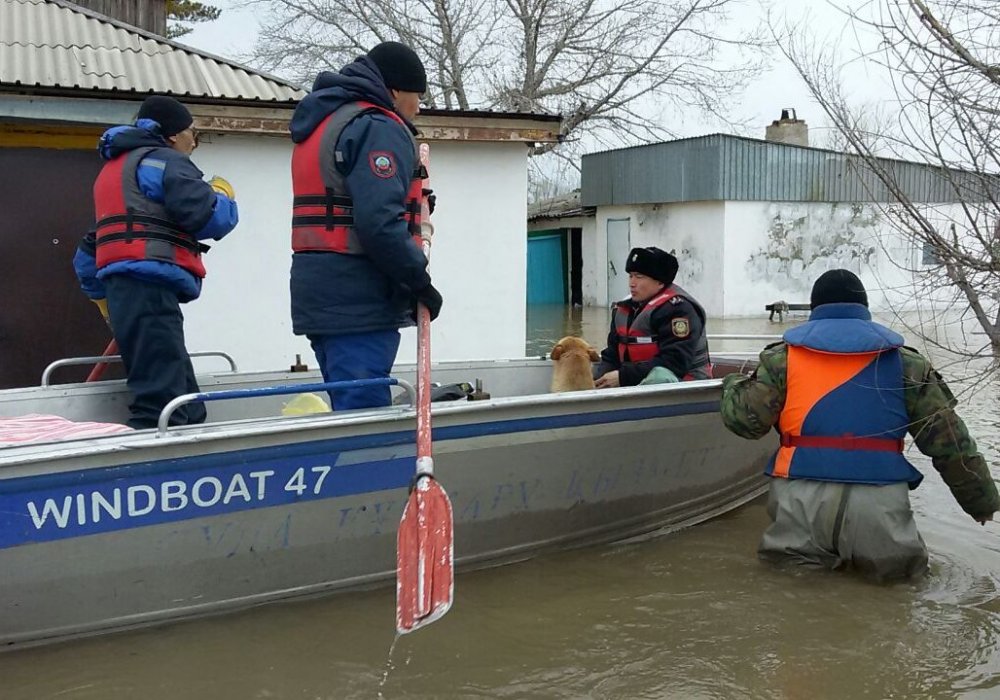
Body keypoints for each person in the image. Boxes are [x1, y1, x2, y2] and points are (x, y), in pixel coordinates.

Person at [720, 269, 999, 581]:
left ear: (815, 310)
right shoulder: (908, 364)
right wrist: (980, 503)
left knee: (793, 595)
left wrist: (733, 384)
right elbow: (951, 444)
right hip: (880, 504)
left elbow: (745, 422)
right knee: (897, 594)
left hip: (799, 500)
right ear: (864, 309)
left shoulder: (781, 359)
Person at [288, 41, 443, 410]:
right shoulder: (378, 126)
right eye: (416, 97)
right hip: (357, 299)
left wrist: (413, 204)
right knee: (364, 414)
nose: (417, 109)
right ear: (394, 90)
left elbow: (354, 198)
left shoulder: (329, 118)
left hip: (323, 292)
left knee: (348, 404)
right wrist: (418, 281)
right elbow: (378, 224)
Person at [74, 95, 239, 429]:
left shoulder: (115, 171)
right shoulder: (165, 161)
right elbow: (207, 218)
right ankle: (155, 467)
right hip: (148, 286)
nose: (195, 140)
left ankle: (193, 441)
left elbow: (89, 249)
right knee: (162, 399)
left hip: (128, 288)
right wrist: (223, 196)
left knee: (181, 392)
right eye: (193, 132)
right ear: (174, 134)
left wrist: (104, 299)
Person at [594, 246, 711, 388]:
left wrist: (623, 377)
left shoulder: (679, 310)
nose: (632, 283)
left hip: (683, 384)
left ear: (660, 282)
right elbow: (611, 355)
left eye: (639, 277)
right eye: (630, 276)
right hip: (635, 380)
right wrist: (597, 380)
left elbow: (675, 362)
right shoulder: (623, 309)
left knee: (660, 377)